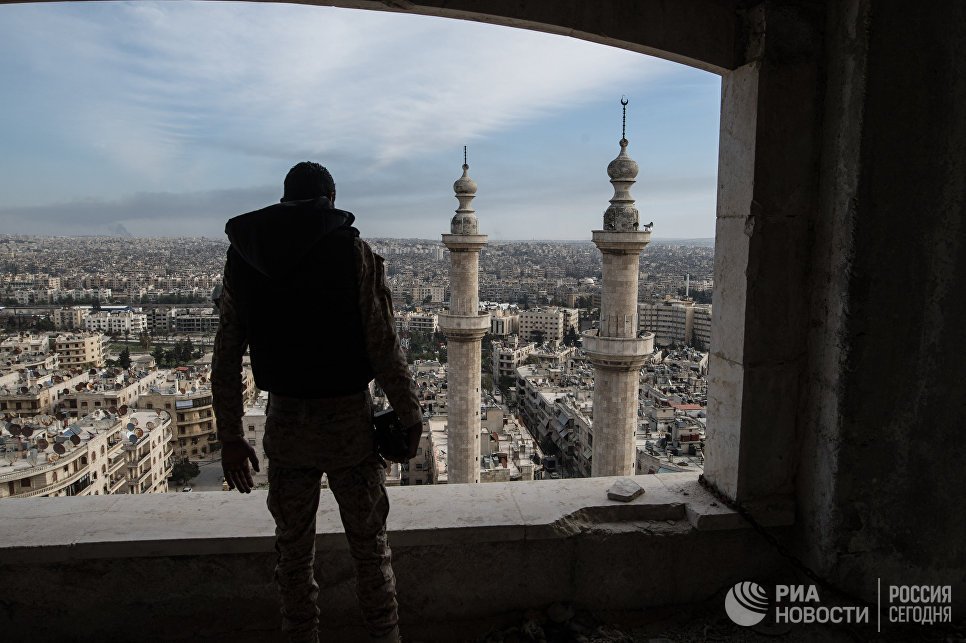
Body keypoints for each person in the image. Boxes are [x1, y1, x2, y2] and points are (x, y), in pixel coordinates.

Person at [211, 161, 423, 643]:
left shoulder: (247, 254)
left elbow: (227, 351)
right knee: (370, 552)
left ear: (285, 199)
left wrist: (230, 435)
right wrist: (409, 414)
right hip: (349, 422)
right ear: (330, 198)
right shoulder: (352, 251)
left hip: (286, 425)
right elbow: (382, 342)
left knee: (292, 557)